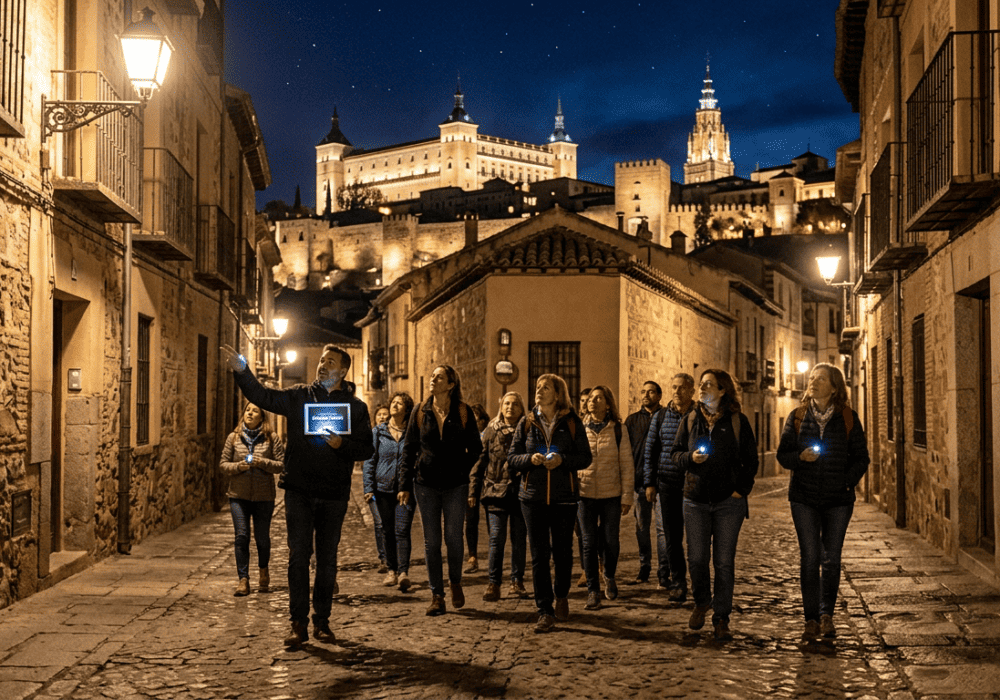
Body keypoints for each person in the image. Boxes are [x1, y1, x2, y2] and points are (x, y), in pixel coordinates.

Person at [221, 343, 374, 648]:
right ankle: (298, 623)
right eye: (321, 361)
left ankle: (322, 622)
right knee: (298, 557)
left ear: (342, 371)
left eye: (329, 362)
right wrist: (242, 371)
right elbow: (263, 395)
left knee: (327, 560)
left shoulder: (355, 408)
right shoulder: (299, 396)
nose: (322, 365)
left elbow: (366, 449)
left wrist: (340, 446)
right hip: (299, 492)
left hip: (334, 494)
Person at [777, 363, 869, 640]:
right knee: (810, 558)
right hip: (803, 497)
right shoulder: (796, 416)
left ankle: (827, 614)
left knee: (831, 558)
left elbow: (861, 458)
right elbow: (783, 455)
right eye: (812, 378)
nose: (813, 382)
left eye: (821, 379)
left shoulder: (848, 418)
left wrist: (846, 482)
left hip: (838, 500)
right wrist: (799, 458)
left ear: (834, 387)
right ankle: (810, 618)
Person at [671, 369, 757, 642]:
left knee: (723, 562)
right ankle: (701, 601)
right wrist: (689, 459)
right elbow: (674, 454)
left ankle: (721, 617)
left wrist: (739, 491)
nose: (702, 387)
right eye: (702, 384)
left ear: (722, 391)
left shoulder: (737, 421)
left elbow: (750, 460)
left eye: (709, 384)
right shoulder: (690, 419)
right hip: (694, 500)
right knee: (696, 559)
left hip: (727, 503)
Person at [508, 374, 592, 633]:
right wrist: (529, 459)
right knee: (539, 555)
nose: (539, 391)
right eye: (537, 387)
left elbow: (585, 457)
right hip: (531, 498)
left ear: (557, 394)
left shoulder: (572, 422)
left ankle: (562, 594)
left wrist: (562, 460)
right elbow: (512, 458)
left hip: (563, 497)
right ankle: (544, 610)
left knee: (563, 552)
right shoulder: (527, 421)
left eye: (545, 388)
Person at [398, 366, 483, 616]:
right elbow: (408, 450)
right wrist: (404, 484)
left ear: (451, 385)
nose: (433, 380)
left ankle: (455, 581)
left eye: (439, 378)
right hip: (425, 485)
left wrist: (462, 468)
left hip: (456, 486)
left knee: (454, 539)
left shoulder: (463, 412)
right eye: (432, 377)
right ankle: (437, 595)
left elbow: (476, 449)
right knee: (431, 541)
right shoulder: (419, 412)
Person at [219, 403, 284, 597]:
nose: (250, 413)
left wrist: (262, 462)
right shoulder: (233, 437)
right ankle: (243, 580)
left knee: (262, 539)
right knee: (241, 536)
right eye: (248, 410)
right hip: (238, 496)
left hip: (264, 497)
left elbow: (281, 465)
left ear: (262, 417)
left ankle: (263, 572)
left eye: (255, 411)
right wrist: (238, 466)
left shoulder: (272, 438)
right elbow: (223, 465)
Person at [470, 392, 529, 601]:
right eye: (506, 403)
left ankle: (517, 581)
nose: (510, 407)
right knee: (496, 538)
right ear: (500, 406)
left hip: (521, 493)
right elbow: (480, 460)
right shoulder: (491, 430)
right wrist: (473, 490)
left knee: (519, 539)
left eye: (514, 404)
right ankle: (493, 583)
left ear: (522, 408)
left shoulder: (528, 430)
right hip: (495, 492)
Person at [579, 386, 633, 609]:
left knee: (611, 539)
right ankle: (593, 589)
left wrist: (627, 495)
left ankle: (608, 574)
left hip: (611, 493)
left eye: (598, 398)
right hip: (585, 493)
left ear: (608, 404)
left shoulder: (618, 430)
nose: (593, 402)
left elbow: (626, 464)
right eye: (591, 398)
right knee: (588, 542)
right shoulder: (579, 429)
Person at [643, 373, 697, 599]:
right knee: (672, 536)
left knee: (696, 537)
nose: (676, 391)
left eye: (682, 388)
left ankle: (699, 582)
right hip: (667, 482)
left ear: (691, 391)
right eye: (674, 387)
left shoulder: (699, 415)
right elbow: (651, 450)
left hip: (694, 484)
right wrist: (649, 482)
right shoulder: (661, 416)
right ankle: (678, 582)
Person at [363, 392, 418, 592]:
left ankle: (403, 572)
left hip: (405, 490)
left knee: (402, 530)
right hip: (383, 488)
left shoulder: (412, 433)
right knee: (387, 530)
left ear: (407, 408)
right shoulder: (378, 432)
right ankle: (391, 570)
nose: (395, 406)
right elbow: (370, 461)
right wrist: (368, 488)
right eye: (393, 402)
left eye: (399, 403)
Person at [624, 380, 665, 586]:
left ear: (659, 396)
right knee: (641, 528)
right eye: (643, 391)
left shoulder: (666, 417)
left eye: (651, 392)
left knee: (662, 529)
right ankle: (644, 567)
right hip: (640, 483)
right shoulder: (632, 421)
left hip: (662, 483)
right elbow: (626, 453)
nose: (646, 395)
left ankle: (663, 571)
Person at [464, 403, 491, 574]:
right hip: (470, 481)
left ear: (483, 421)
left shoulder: (488, 434)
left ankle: (494, 554)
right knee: (471, 518)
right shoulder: (463, 436)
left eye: (476, 419)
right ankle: (472, 556)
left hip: (488, 481)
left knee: (491, 520)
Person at [369, 403, 391, 575]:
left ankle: (392, 558)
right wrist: (367, 487)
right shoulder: (372, 435)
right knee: (379, 523)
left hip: (390, 488)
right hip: (375, 487)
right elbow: (368, 463)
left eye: (385, 414)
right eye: (380, 414)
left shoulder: (394, 436)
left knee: (391, 525)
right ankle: (383, 558)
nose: (383, 417)